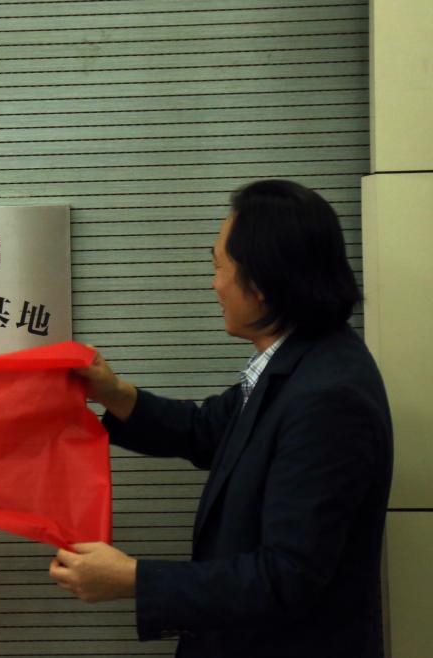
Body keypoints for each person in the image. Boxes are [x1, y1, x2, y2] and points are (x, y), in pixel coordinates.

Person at [50, 180, 393, 658]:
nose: (214, 285)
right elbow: (207, 429)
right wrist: (113, 392)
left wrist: (134, 578)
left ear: (263, 283)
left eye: (219, 267)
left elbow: (286, 576)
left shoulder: (328, 398)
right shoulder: (299, 362)